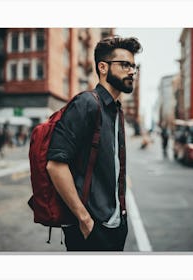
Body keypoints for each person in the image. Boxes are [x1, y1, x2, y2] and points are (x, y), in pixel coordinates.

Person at [46, 36, 142, 251]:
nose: (132, 71)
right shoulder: (86, 104)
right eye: (125, 64)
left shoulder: (116, 110)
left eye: (133, 66)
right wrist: (84, 219)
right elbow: (55, 165)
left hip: (115, 226)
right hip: (91, 229)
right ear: (103, 67)